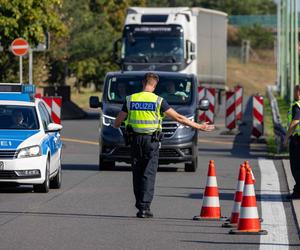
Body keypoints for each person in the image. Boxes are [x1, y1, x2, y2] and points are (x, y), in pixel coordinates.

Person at [114, 72, 215, 218]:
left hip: (135, 141)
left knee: (137, 172)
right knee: (148, 173)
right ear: (154, 85)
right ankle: (144, 208)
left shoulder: (130, 99)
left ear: (143, 83)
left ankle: (140, 204)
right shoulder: (158, 101)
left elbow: (117, 122)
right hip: (152, 141)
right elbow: (179, 117)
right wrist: (199, 126)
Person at [284, 84, 300, 199]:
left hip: (297, 141)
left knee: (296, 167)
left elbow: (295, 123)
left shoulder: (297, 105)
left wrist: (286, 138)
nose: (294, 93)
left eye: (295, 91)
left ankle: (298, 191)